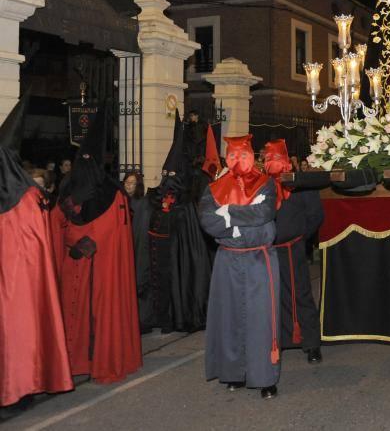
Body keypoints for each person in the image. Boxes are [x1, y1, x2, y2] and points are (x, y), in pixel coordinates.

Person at [50, 103, 142, 383]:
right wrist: (71, 241)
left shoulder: (112, 192)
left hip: (100, 266)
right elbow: (56, 220)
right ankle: (72, 362)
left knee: (99, 314)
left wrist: (86, 243)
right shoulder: (67, 186)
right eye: (83, 157)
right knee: (71, 314)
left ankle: (99, 359)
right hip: (73, 263)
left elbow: (113, 229)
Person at [0, 94, 73, 406]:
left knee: (18, 333)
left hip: (16, 286)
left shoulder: (28, 199)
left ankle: (22, 385)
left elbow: (33, 251)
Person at [200, 134, 280, 399]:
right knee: (229, 317)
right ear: (226, 157)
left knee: (261, 321)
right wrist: (237, 222)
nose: (238, 161)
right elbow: (208, 222)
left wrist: (229, 214)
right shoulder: (213, 188)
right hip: (228, 260)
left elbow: (264, 213)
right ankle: (233, 373)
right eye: (232, 156)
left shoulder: (266, 184)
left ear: (252, 156)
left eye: (243, 155)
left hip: (259, 260)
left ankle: (265, 378)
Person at [135, 113, 211, 334]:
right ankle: (157, 317)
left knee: (177, 283)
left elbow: (193, 249)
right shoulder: (154, 198)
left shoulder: (186, 205)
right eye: (164, 174)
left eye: (172, 175)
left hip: (176, 258)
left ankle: (178, 316)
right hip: (157, 254)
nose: (167, 178)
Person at [263, 140, 325, 363]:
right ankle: (277, 340)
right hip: (268, 252)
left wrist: (299, 237)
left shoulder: (301, 184)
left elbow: (315, 214)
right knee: (272, 298)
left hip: (294, 249)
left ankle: (311, 343)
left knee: (302, 293)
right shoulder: (261, 186)